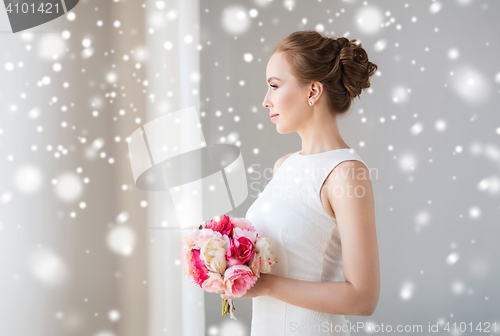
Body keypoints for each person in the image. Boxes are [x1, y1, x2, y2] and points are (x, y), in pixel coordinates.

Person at [221, 30, 380, 335]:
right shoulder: (285, 165)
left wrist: (264, 285)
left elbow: (363, 298)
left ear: (313, 91)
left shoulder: (346, 172)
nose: (266, 100)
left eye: (274, 86)